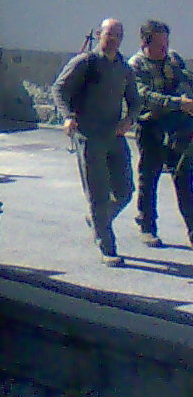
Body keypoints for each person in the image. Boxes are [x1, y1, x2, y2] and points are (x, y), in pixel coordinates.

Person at [52, 18, 139, 266]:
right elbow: (59, 89)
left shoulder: (123, 67)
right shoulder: (86, 62)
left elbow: (134, 100)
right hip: (89, 136)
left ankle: (99, 219)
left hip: (114, 135)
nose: (113, 39)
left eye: (118, 35)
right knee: (98, 193)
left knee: (124, 191)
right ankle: (107, 247)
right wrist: (68, 117)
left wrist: (129, 120)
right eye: (109, 34)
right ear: (100, 35)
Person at [127, 20, 193, 248]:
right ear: (145, 42)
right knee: (149, 176)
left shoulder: (173, 59)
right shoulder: (135, 66)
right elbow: (145, 97)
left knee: (185, 177)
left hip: (176, 128)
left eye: (166, 43)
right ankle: (147, 226)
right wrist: (179, 103)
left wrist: (186, 97)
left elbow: (186, 80)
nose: (164, 49)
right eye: (159, 44)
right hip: (150, 127)